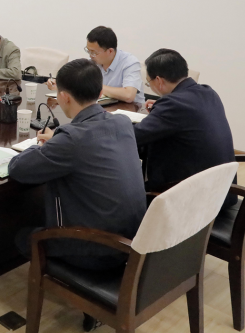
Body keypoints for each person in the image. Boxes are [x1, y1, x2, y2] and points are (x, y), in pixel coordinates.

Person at [8, 58, 146, 273]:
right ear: (100, 92)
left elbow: (18, 168)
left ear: (63, 97)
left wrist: (45, 144)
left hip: (99, 251)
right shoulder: (122, 122)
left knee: (21, 236)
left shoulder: (72, 139)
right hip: (134, 240)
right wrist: (58, 140)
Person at [134, 48, 237, 209]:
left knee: (129, 194)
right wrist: (161, 110)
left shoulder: (173, 105)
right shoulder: (208, 92)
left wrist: (115, 121)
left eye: (149, 82)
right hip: (223, 190)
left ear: (159, 81)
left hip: (196, 201)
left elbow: (134, 136)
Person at [48, 26, 144, 105]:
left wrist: (95, 87)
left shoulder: (130, 63)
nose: (90, 55)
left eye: (93, 52)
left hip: (130, 112)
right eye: (88, 51)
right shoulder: (94, 62)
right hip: (103, 109)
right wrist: (61, 85)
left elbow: (129, 95)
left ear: (110, 51)